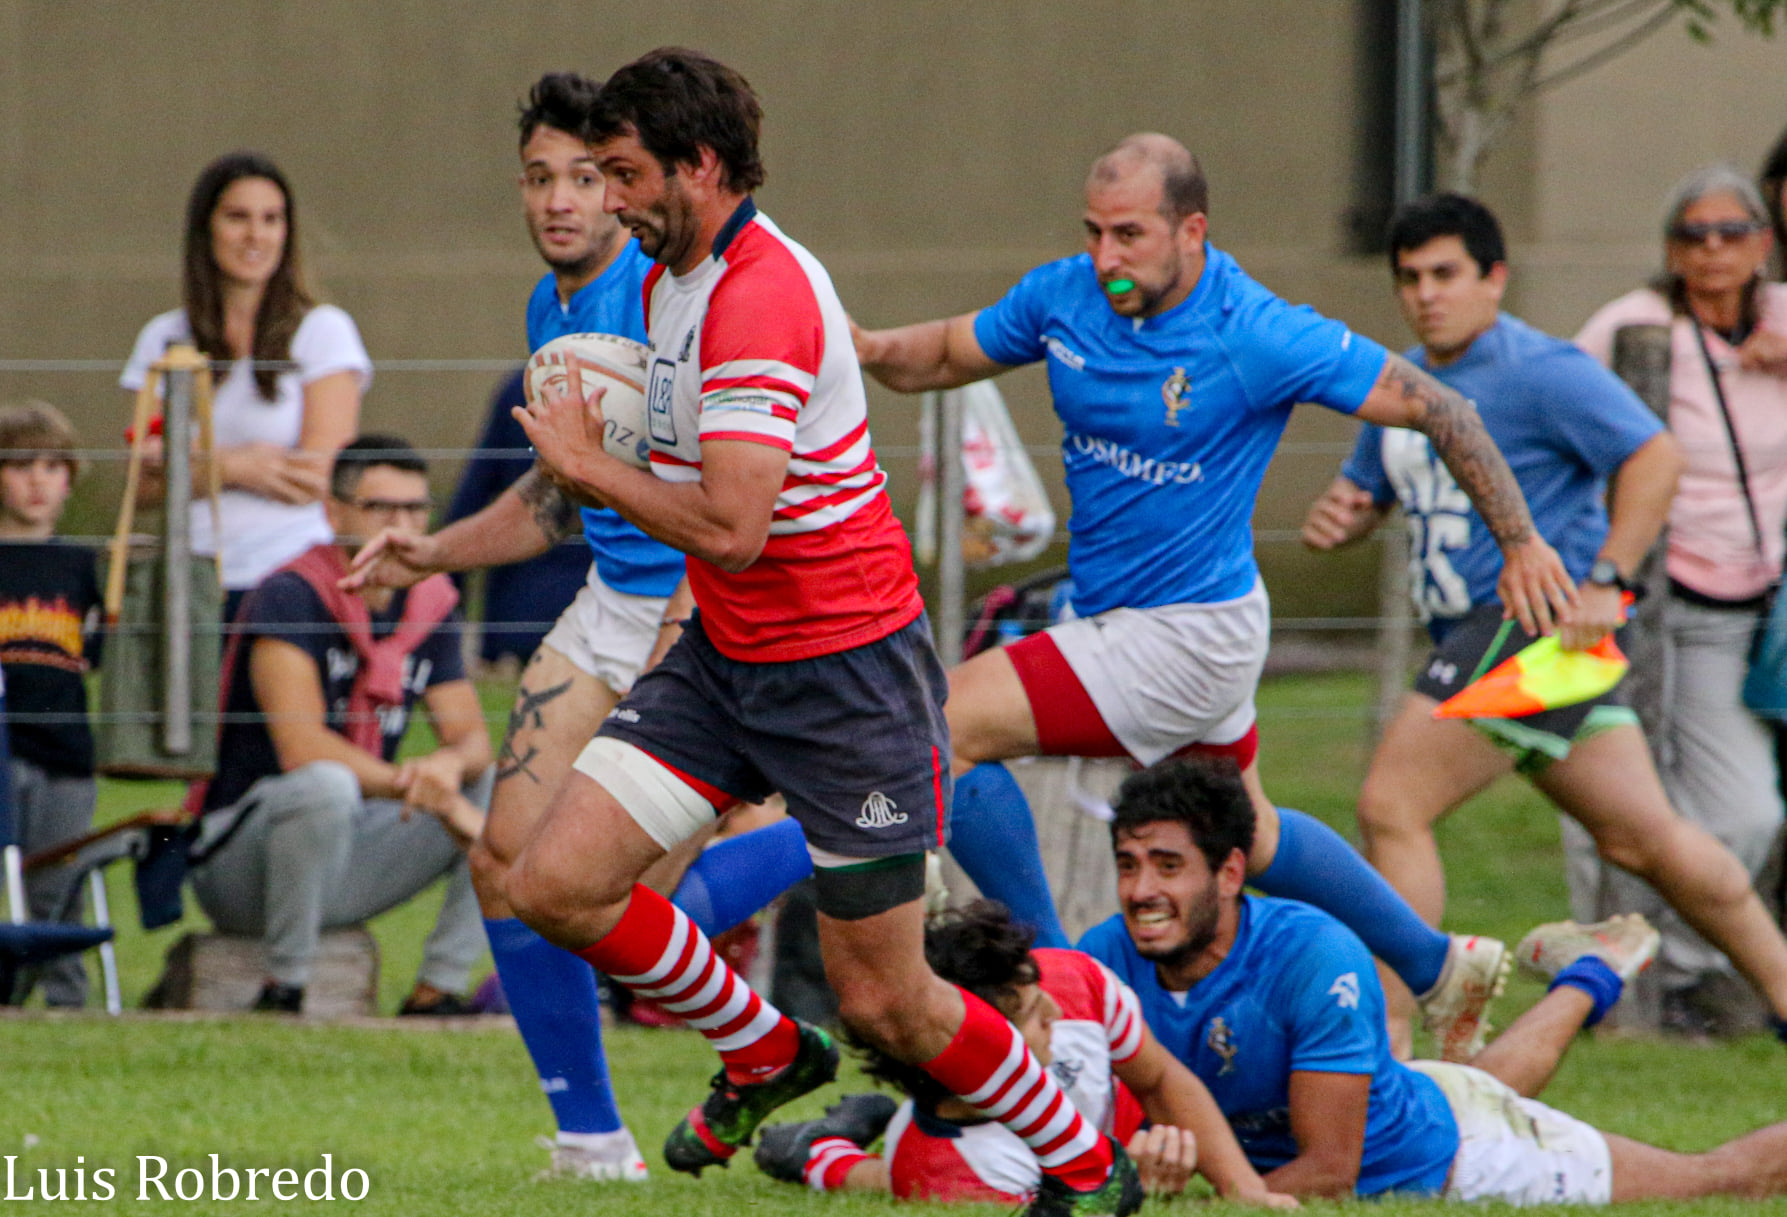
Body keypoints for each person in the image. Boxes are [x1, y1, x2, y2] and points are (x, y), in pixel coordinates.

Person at [506, 47, 1144, 1217]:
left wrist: (589, 463)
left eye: (624, 173)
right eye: (593, 174)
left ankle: (1087, 1158)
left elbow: (735, 524)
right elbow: (708, 503)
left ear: (699, 166)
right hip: (729, 655)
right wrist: (605, 455)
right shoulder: (668, 280)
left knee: (887, 1002)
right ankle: (762, 1052)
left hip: (845, 676)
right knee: (553, 880)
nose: (606, 201)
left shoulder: (758, 295)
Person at [852, 131, 1574, 1060]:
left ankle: (1065, 986)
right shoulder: (1064, 294)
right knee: (1254, 830)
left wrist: (1519, 542)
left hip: (1187, 634)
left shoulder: (1255, 329)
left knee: (936, 729)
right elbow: (946, 352)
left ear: (1191, 230)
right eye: (1094, 233)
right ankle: (1438, 965)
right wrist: (861, 346)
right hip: (1136, 623)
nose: (1107, 257)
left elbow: (1443, 407)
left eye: (1130, 235)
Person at [344, 71, 814, 1182]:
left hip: (701, 607)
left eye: (586, 177)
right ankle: (591, 1141)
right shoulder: (548, 309)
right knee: (507, 869)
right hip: (608, 601)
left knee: (621, 901)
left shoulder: (668, 292)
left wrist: (681, 641)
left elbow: (739, 488)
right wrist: (431, 550)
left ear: (622, 187)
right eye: (539, 177)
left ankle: (844, 837)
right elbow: (554, 497)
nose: (561, 200)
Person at [1298, 192, 1787, 1046]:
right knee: (1644, 839)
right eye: (1409, 277)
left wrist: (1608, 576)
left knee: (1390, 802)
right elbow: (1373, 488)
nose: (1426, 294)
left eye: (1446, 274)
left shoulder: (1539, 369)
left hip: (1531, 626)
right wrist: (1346, 512)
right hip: (1507, 644)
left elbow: (1653, 455)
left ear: (1495, 278)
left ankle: (1388, 1042)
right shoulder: (1401, 381)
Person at [1080, 756, 1787, 1204]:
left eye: (1167, 866)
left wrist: (1208, 1201)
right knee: (1480, 1082)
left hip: (1458, 1158)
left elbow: (1329, 1170)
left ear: (1230, 873)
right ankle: (1593, 966)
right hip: (1421, 1094)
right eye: (1128, 863)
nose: (1141, 889)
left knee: (1717, 1178)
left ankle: (1592, 969)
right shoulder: (1104, 954)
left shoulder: (1314, 957)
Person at [1574, 166, 1787, 1030]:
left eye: (1730, 232)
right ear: (1669, 248)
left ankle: (1692, 967)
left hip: (1756, 614)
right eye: (1692, 235)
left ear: (1762, 241)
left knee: (1741, 813)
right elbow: (1555, 397)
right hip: (1653, 603)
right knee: (1616, 810)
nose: (1712, 250)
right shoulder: (1632, 325)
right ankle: (1613, 983)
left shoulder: (1780, 318)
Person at [188, 436, 490, 1016]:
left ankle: (436, 994)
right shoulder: (291, 595)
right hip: (243, 864)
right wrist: (420, 789)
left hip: (347, 855)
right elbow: (302, 746)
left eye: (415, 509)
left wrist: (447, 768)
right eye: (381, 508)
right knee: (325, 784)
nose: (400, 525)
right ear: (334, 511)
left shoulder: (429, 602)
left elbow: (471, 738)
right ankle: (286, 989)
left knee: (499, 785)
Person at [752, 901, 1291, 1207]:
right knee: (890, 1176)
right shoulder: (951, 1172)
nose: (1056, 1012)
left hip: (1066, 1130)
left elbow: (1161, 1079)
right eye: (1032, 1016)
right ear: (973, 1055)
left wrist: (1246, 1191)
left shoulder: (1071, 983)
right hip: (936, 1147)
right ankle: (812, 1150)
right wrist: (1137, 1190)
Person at [121, 151, 370, 622]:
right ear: (206, 229)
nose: (256, 235)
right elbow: (141, 486)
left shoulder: (322, 330)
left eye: (271, 219)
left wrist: (193, 462)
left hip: (290, 578)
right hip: (189, 577)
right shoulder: (164, 338)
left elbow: (320, 477)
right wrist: (238, 465)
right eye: (238, 217)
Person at [0, 401, 103, 1007]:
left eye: (52, 465)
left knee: (60, 881)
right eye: (19, 465)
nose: (37, 480)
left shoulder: (83, 566)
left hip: (68, 748)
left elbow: (100, 652)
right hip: (6, 746)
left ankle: (70, 1003)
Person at [442, 367, 588, 669]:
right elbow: (474, 491)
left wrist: (446, 595)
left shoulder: (526, 384)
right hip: (546, 606)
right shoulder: (523, 387)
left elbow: (473, 492)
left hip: (526, 609)